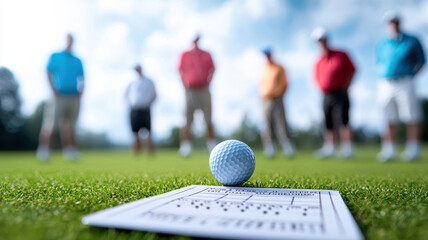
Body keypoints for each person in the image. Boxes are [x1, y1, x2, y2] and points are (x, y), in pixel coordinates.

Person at [376, 12, 425, 162]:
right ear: (387, 24)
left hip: (405, 81)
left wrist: (410, 76)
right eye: (390, 22)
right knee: (387, 117)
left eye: (395, 21)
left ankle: (413, 149)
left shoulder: (413, 40)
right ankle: (389, 149)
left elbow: (421, 62)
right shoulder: (382, 43)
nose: (393, 24)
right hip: (385, 83)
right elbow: (378, 63)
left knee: (411, 115)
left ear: (400, 23)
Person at [36, 34, 84, 161]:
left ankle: (70, 152)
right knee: (51, 125)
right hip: (59, 95)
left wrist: (81, 92)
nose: (70, 42)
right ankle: (44, 151)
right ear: (65, 41)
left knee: (71, 126)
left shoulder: (77, 60)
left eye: (72, 40)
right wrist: (53, 89)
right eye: (69, 40)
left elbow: (82, 78)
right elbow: (48, 72)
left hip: (74, 95)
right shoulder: (55, 56)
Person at [311, 27, 356, 159]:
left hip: (340, 92)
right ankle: (329, 148)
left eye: (323, 39)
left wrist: (346, 87)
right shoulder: (318, 61)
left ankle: (348, 148)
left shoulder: (341, 54)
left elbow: (352, 70)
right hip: (326, 95)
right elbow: (316, 78)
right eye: (319, 41)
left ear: (327, 40)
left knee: (343, 121)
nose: (321, 42)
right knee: (328, 122)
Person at [178, 34, 216, 157]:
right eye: (194, 40)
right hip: (190, 90)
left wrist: (208, 82)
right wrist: (184, 83)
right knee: (187, 120)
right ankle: (186, 147)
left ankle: (212, 146)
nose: (196, 42)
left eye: (197, 39)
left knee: (208, 119)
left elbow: (213, 69)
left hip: (204, 89)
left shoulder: (206, 54)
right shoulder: (185, 54)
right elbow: (179, 70)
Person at [260, 48, 294, 158]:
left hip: (278, 98)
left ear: (271, 54)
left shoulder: (279, 67)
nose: (267, 56)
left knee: (281, 123)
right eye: (265, 55)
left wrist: (281, 94)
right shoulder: (264, 70)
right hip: (266, 99)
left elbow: (285, 83)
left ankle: (287, 147)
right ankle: (270, 148)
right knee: (267, 124)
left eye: (268, 54)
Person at [125, 64, 156, 156]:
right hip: (134, 109)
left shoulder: (149, 81)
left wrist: (149, 104)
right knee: (135, 133)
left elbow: (155, 94)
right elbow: (126, 95)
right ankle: (136, 153)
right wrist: (130, 104)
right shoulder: (132, 82)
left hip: (145, 109)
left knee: (149, 132)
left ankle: (150, 152)